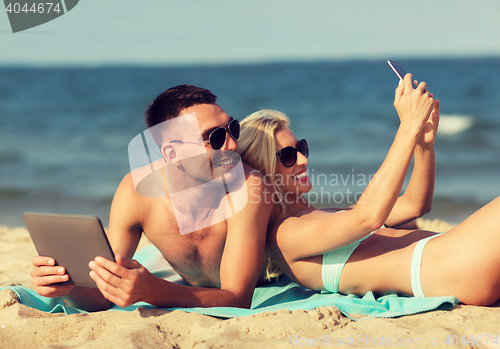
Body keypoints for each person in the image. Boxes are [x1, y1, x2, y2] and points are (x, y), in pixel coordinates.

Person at [237, 74, 500, 306]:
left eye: (301, 148)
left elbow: (414, 204)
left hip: (454, 259)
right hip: (453, 264)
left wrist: (423, 144)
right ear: (263, 171)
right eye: (287, 156)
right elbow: (368, 216)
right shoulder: (284, 234)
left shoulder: (318, 219)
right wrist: (407, 126)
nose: (303, 160)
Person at [30, 85, 275, 311]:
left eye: (232, 129)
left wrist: (156, 292)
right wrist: (67, 286)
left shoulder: (248, 187)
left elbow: (238, 298)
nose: (232, 146)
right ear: (172, 153)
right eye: (215, 138)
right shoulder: (137, 192)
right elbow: (101, 296)